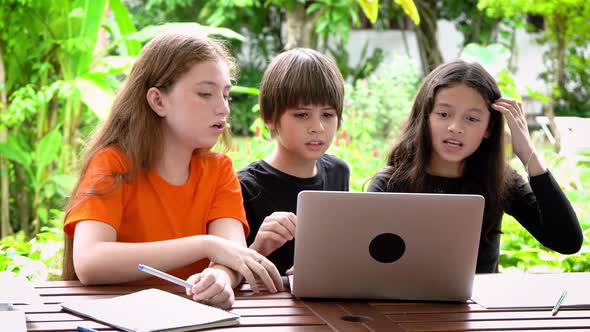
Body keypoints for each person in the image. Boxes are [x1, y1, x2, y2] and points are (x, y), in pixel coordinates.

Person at [61, 31, 283, 309]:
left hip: (198, 319)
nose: (222, 108)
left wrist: (219, 277)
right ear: (158, 101)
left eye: (226, 95)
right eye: (205, 93)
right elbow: (90, 262)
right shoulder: (112, 163)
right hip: (117, 318)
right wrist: (205, 245)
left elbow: (232, 254)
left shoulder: (219, 170)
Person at [368, 60, 583, 273]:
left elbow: (566, 241)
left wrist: (527, 153)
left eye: (471, 118)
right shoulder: (390, 183)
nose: (455, 127)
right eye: (444, 114)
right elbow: (370, 261)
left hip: (477, 307)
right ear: (425, 118)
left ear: (488, 128)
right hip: (401, 305)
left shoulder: (499, 180)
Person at [238, 48, 350, 275]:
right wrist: (259, 248)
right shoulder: (244, 187)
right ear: (269, 118)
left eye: (327, 115)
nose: (317, 127)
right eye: (301, 115)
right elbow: (231, 280)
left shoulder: (338, 172)